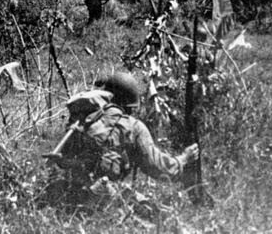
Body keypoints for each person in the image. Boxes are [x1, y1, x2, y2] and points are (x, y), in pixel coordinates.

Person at [49, 72, 199, 186]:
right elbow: (158, 169)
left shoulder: (85, 120)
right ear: (130, 104)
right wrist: (184, 158)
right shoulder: (134, 127)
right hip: (105, 199)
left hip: (70, 193)